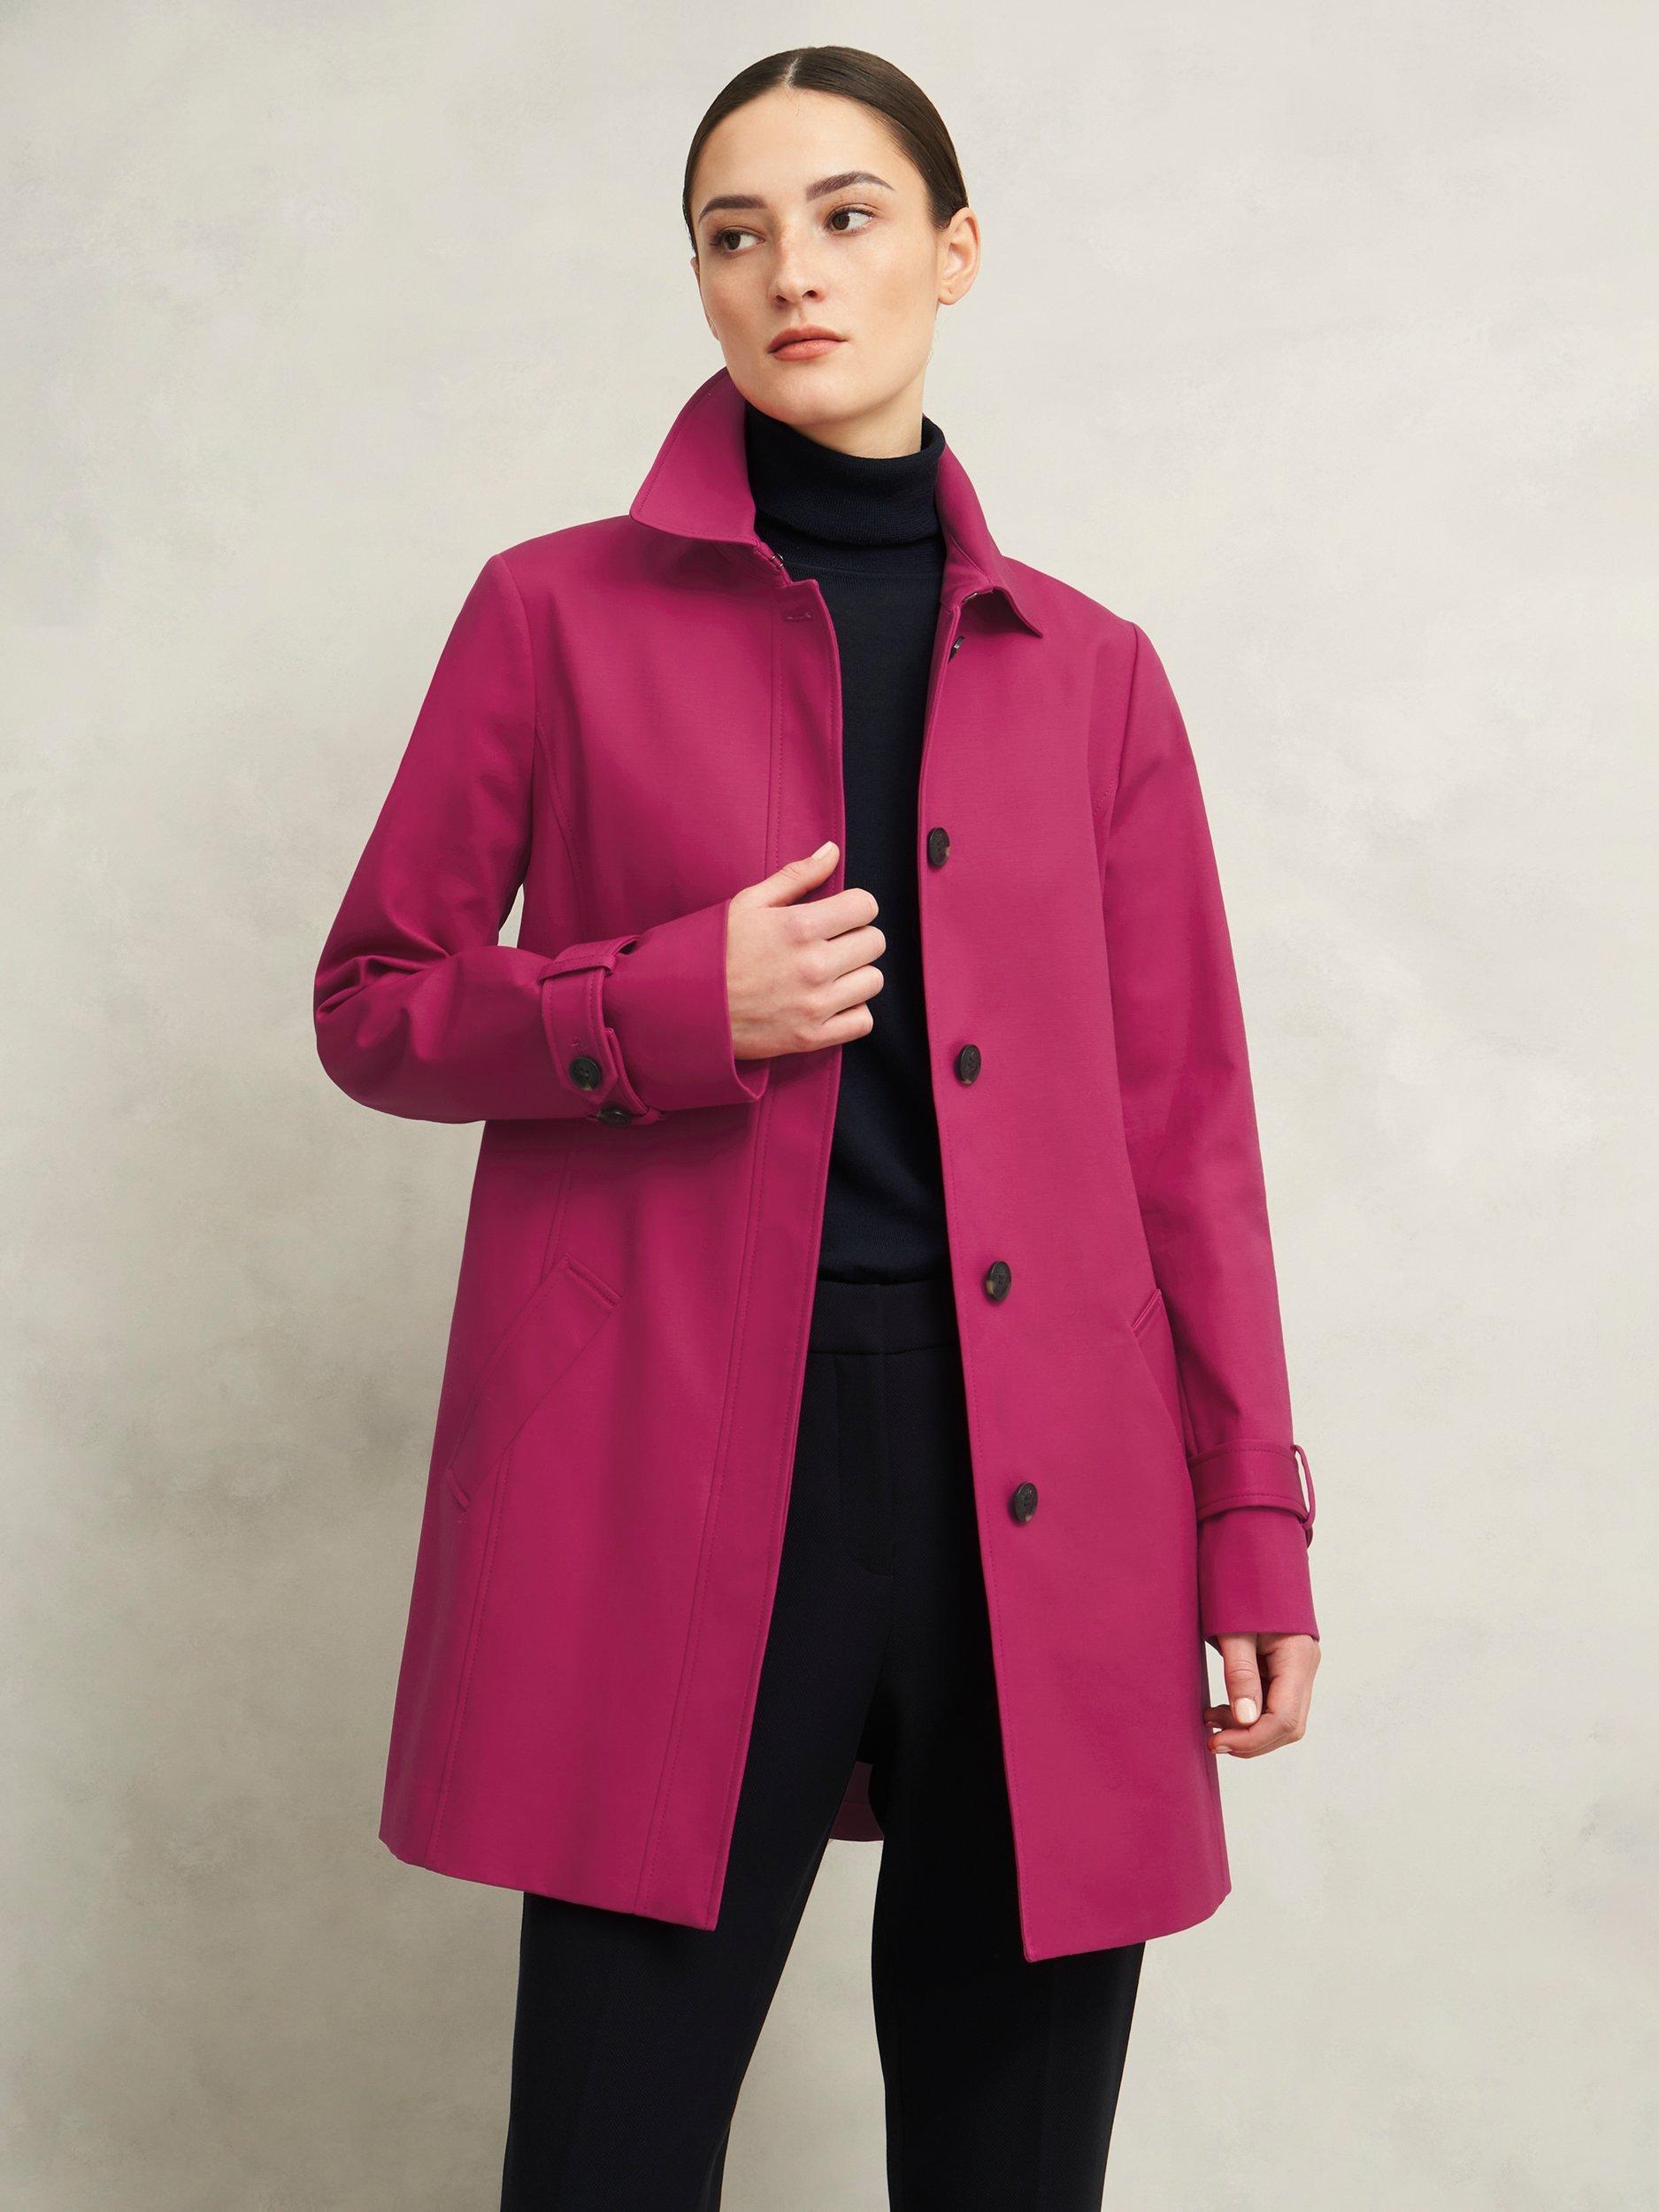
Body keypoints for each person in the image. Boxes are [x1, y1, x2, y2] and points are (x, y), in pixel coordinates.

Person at [313, 43, 1321, 2212]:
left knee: (1009, 2163)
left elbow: (1187, 1140)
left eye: (846, 216)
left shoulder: (1095, 672)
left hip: (1043, 1487)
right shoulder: (548, 614)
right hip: (674, 1467)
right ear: (696, 278)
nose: (791, 271)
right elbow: (372, 1002)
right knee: (604, 2155)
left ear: (952, 252)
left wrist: (1249, 1517)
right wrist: (669, 1001)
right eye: (734, 232)